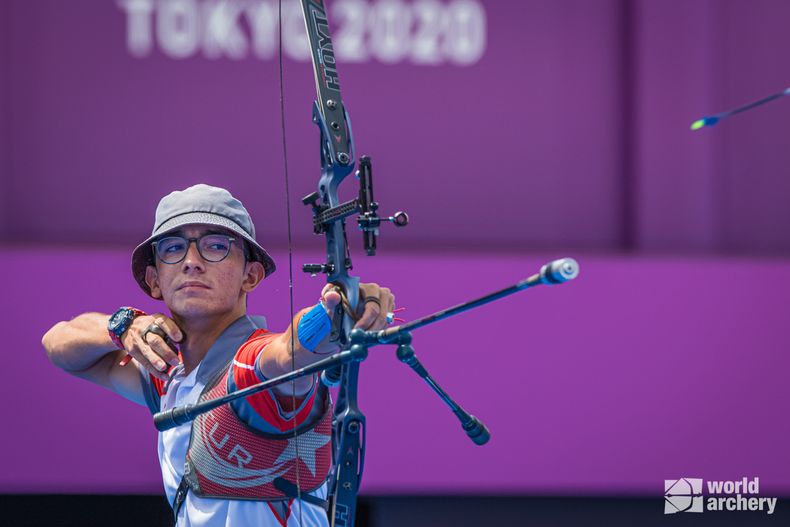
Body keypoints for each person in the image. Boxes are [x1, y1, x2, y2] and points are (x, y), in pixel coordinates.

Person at [42, 184, 395, 527]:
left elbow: (292, 351)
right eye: (173, 248)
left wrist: (338, 311)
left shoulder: (253, 365)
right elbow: (58, 344)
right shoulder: (166, 373)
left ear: (251, 275)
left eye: (215, 246)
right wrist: (123, 326)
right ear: (154, 280)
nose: (192, 262)